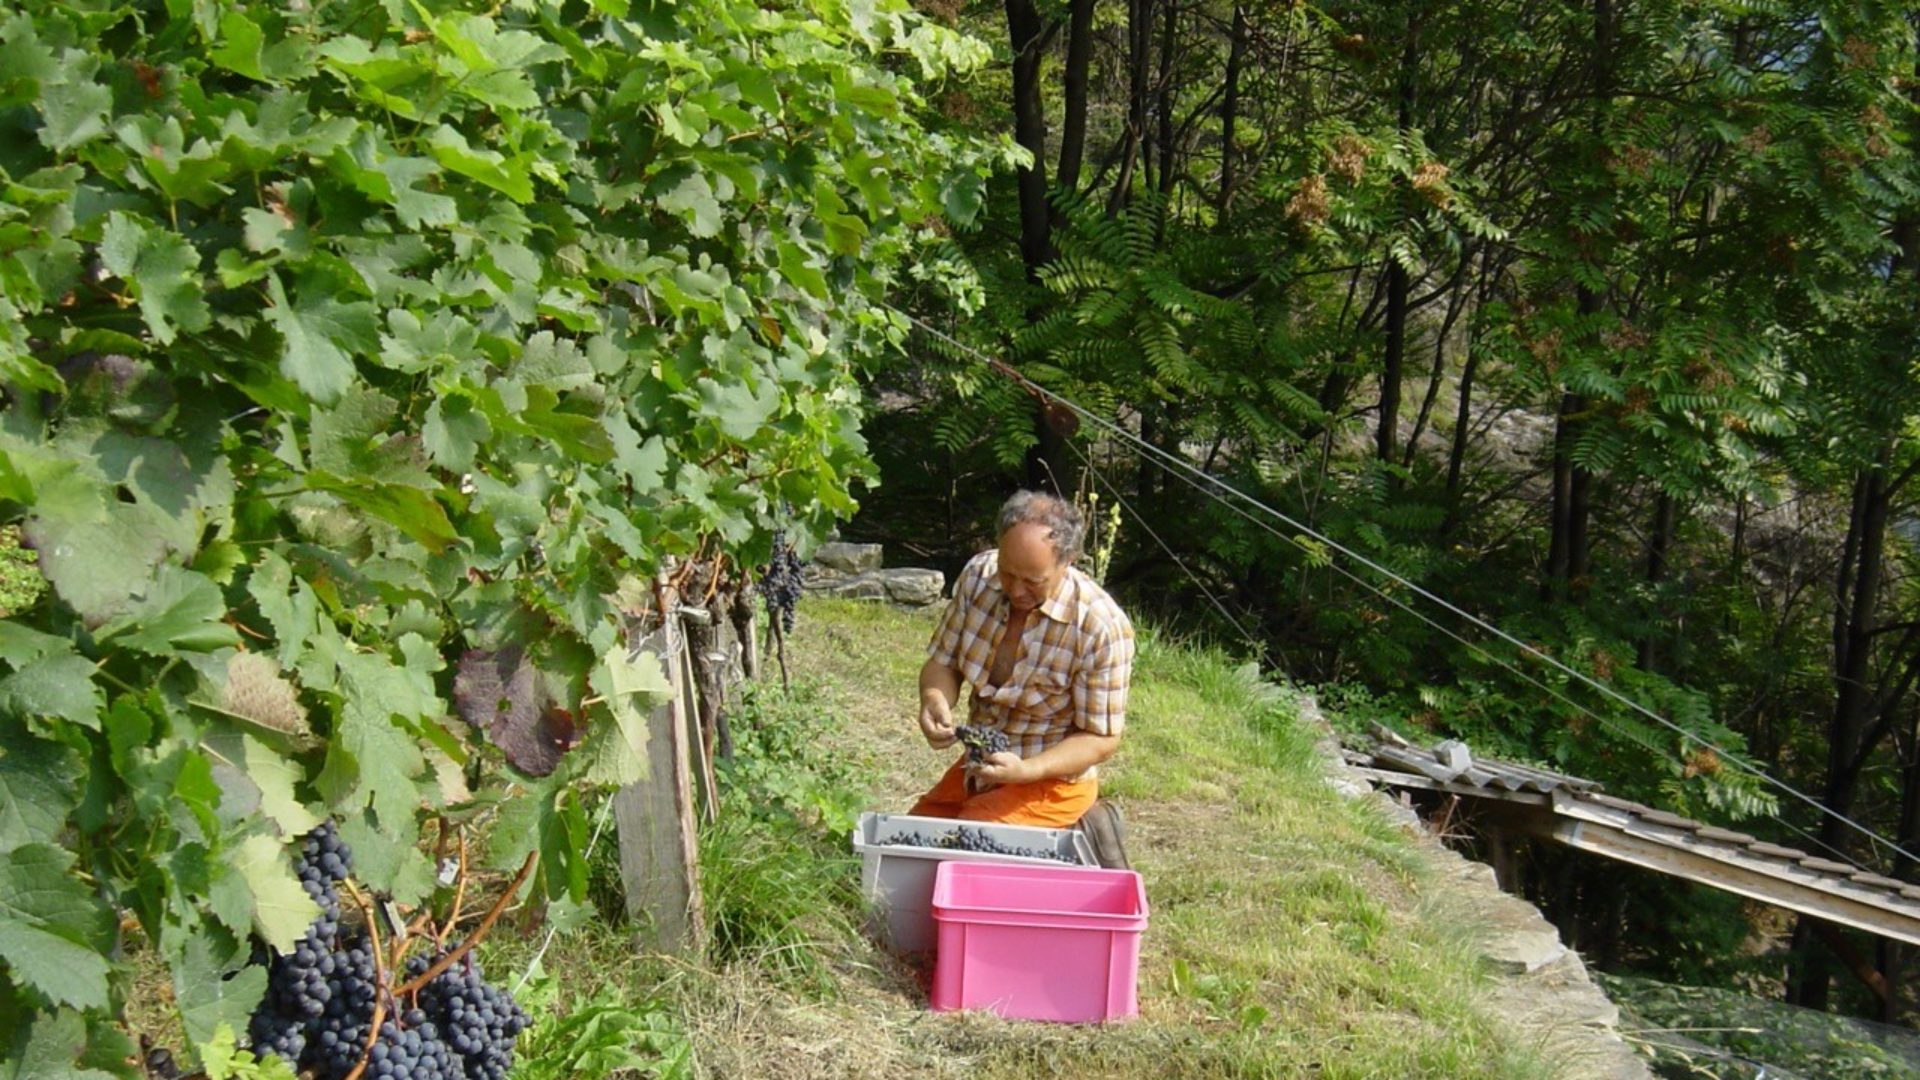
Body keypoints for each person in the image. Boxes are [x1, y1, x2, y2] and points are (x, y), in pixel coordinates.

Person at [910, 490, 1135, 868]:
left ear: (1069, 562)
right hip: (980, 767)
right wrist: (935, 698)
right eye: (1008, 572)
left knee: (965, 851)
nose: (1015, 590)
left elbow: (1101, 739)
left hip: (1053, 781)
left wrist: (1026, 771)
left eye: (1032, 580)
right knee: (915, 842)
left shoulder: (1100, 628)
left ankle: (1084, 828)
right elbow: (943, 663)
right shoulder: (978, 577)